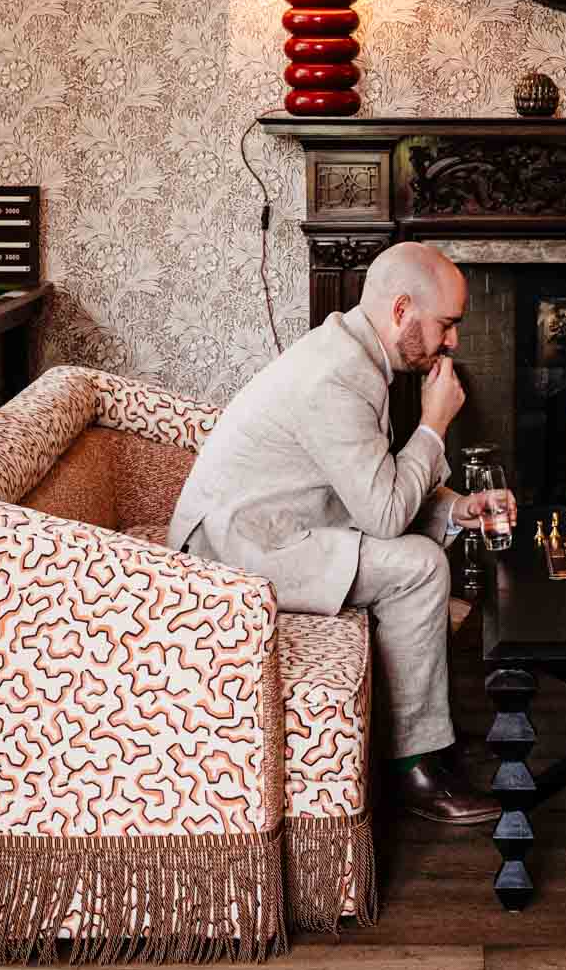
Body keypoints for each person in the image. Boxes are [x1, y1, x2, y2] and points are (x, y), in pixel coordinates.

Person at [168, 241, 516, 825]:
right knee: (420, 567)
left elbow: (368, 486)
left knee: (423, 551)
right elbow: (382, 514)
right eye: (447, 324)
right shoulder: (337, 375)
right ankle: (416, 770)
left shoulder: (355, 354)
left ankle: (424, 748)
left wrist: (456, 510)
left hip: (281, 525)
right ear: (402, 310)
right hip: (236, 549)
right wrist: (433, 425)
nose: (453, 342)